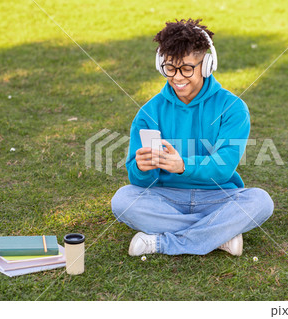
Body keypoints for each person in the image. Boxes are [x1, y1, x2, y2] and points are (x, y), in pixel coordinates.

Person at [111, 18, 273, 256]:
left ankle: (163, 242)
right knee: (123, 200)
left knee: (261, 201)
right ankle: (218, 235)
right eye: (170, 68)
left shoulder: (233, 108)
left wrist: (183, 165)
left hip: (218, 196)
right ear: (161, 65)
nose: (177, 77)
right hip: (166, 197)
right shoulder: (148, 112)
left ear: (207, 65)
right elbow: (140, 182)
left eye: (187, 68)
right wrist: (141, 169)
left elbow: (224, 167)